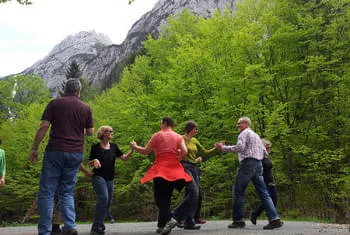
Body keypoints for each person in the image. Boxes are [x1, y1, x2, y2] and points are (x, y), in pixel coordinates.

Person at [30, 78, 94, 235]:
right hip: (76, 153)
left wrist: (34, 148)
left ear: (65, 89)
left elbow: (44, 126)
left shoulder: (54, 103)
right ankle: (70, 226)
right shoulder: (86, 108)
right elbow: (90, 132)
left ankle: (45, 231)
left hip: (55, 151)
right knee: (67, 191)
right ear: (78, 91)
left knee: (47, 191)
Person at [130, 116, 196, 235]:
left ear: (164, 123)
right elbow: (185, 152)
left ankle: (169, 219)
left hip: (161, 167)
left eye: (161, 123)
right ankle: (161, 225)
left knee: (160, 197)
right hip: (174, 168)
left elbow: (145, 151)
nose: (160, 125)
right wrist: (178, 157)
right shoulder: (178, 136)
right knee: (167, 197)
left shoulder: (157, 135)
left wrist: (135, 147)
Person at [214, 116, 283, 230]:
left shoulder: (244, 133)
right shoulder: (256, 135)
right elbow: (265, 152)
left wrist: (223, 148)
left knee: (238, 191)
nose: (237, 126)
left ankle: (238, 220)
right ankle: (274, 218)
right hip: (258, 165)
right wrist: (259, 161)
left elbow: (240, 147)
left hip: (248, 164)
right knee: (264, 193)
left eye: (239, 123)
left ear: (246, 124)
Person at [89, 125, 133, 235]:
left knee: (107, 202)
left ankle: (100, 225)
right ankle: (95, 227)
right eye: (110, 131)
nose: (112, 133)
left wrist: (132, 149)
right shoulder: (95, 147)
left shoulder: (114, 146)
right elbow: (89, 163)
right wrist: (94, 160)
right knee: (104, 197)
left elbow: (124, 158)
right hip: (98, 176)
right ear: (103, 133)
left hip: (110, 178)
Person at [179, 121, 218, 226]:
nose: (197, 131)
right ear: (191, 129)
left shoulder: (195, 140)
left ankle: (193, 217)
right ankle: (180, 217)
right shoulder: (180, 139)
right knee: (192, 192)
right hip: (184, 166)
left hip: (194, 167)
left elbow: (204, 152)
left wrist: (217, 149)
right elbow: (178, 152)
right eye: (195, 129)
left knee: (197, 194)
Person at [51, 164, 93, 235]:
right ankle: (59, 226)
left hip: (58, 174)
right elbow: (77, 160)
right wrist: (86, 171)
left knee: (60, 199)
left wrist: (85, 171)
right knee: (64, 198)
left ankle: (61, 227)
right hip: (68, 173)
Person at [250, 139, 278, 225]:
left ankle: (255, 214)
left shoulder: (265, 156)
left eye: (269, 147)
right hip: (264, 181)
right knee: (271, 200)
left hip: (270, 180)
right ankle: (272, 218)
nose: (269, 149)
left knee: (272, 200)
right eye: (267, 147)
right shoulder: (258, 158)